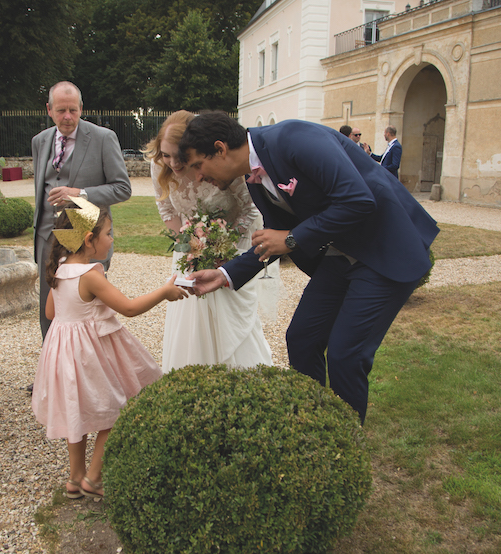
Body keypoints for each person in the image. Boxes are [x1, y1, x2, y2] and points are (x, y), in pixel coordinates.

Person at [178, 112, 439, 423]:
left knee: (346, 356)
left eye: (197, 165)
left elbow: (358, 200)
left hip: (385, 248)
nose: (197, 177)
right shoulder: (256, 175)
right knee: (301, 339)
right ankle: (314, 426)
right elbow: (275, 234)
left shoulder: (294, 139)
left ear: (220, 149)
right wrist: (226, 274)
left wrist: (291, 239)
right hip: (341, 255)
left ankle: (345, 450)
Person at [32, 197, 186, 500]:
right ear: (90, 240)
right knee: (119, 408)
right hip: (89, 355)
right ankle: (94, 477)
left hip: (62, 354)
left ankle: (75, 478)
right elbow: (128, 308)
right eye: (109, 234)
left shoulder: (60, 268)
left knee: (77, 414)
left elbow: (51, 314)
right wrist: (164, 292)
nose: (112, 239)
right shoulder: (91, 274)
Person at [145, 110, 275, 373]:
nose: (172, 163)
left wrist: (220, 244)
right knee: (189, 319)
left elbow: (251, 211)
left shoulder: (222, 168)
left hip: (229, 251)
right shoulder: (159, 165)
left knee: (230, 320)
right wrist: (190, 241)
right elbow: (167, 212)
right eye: (165, 154)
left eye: (179, 157)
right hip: (188, 250)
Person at [32, 81, 131, 343]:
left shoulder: (102, 137)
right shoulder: (40, 141)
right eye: (61, 110)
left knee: (87, 309)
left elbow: (122, 188)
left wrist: (80, 193)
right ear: (49, 109)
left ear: (81, 108)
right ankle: (51, 372)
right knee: (49, 308)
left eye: (73, 111)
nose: (67, 117)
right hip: (46, 236)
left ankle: (90, 369)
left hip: (85, 235)